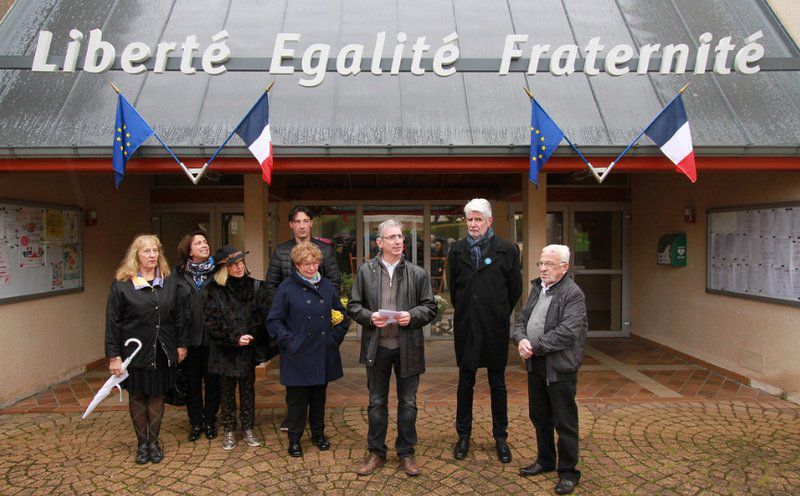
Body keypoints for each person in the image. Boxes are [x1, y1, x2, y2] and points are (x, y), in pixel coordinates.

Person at [348, 219, 437, 477]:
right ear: (379, 242)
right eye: (392, 237)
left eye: (400, 237)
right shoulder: (365, 272)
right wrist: (369, 317)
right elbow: (353, 306)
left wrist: (413, 315)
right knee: (376, 402)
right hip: (377, 347)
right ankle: (376, 452)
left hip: (408, 347)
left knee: (408, 402)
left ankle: (406, 453)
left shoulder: (417, 273)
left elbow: (430, 306)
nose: (398, 241)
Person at [447, 198, 522, 464]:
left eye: (478, 219)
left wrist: (497, 312)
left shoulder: (507, 250)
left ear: (489, 221)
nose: (473, 224)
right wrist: (469, 310)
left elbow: (514, 290)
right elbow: (454, 290)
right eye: (469, 219)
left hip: (494, 327)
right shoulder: (456, 250)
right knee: (465, 383)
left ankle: (500, 437)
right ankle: (463, 436)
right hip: (467, 326)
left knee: (497, 384)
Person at [105, 234, 187, 465]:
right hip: (135, 351)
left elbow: (178, 316)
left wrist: (181, 344)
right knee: (138, 395)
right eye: (146, 251)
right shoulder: (122, 284)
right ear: (136, 255)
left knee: (158, 394)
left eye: (155, 250)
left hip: (162, 349)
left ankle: (154, 443)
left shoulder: (169, 281)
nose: (152, 255)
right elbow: (113, 322)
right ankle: (142, 444)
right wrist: (114, 356)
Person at [513, 245, 587, 495]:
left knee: (565, 421)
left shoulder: (573, 294)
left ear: (564, 267)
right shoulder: (538, 288)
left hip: (560, 366)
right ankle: (545, 460)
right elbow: (522, 320)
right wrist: (521, 340)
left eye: (549, 264)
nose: (543, 268)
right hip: (536, 364)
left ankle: (568, 472)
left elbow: (567, 332)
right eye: (541, 263)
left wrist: (533, 346)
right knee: (539, 415)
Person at [267, 243, 350, 457]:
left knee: (318, 398)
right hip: (297, 354)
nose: (312, 268)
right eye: (306, 264)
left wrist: (334, 338)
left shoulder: (327, 286)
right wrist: (290, 342)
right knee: (297, 401)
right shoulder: (286, 287)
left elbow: (341, 314)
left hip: (322, 351)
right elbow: (274, 321)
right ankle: (294, 438)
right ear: (296, 265)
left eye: (315, 263)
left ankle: (318, 434)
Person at [266, 205, 341, 431]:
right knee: (295, 385)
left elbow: (334, 281)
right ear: (291, 224)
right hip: (293, 325)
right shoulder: (281, 251)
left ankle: (316, 428)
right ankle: (293, 421)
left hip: (319, 327)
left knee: (319, 386)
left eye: (306, 221)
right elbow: (271, 284)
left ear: (311, 223)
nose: (302, 226)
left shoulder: (324, 251)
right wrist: (286, 309)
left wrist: (325, 311)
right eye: (297, 221)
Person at [203, 245, 267, 451]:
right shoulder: (213, 290)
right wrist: (234, 338)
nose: (239, 267)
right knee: (226, 392)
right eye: (233, 264)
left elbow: (262, 315)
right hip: (224, 349)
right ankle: (229, 429)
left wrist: (251, 336)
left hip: (247, 347)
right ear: (224, 268)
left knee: (248, 390)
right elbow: (211, 322)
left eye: (240, 263)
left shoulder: (255, 287)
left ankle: (248, 427)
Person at [174, 231, 220, 442]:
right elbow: (174, 309)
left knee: (213, 383)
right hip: (189, 339)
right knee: (192, 383)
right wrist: (179, 342)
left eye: (205, 241)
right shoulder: (178, 275)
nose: (204, 245)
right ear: (189, 251)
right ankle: (195, 422)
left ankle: (210, 420)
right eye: (198, 243)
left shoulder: (219, 271)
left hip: (213, 338)